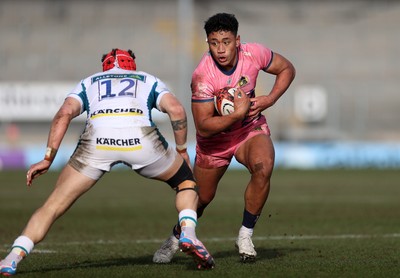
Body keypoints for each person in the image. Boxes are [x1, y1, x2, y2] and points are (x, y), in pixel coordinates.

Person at [0, 48, 215, 276]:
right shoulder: (147, 79)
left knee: (53, 205)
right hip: (141, 140)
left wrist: (47, 158)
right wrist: (181, 151)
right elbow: (176, 110)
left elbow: (63, 114)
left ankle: (12, 258)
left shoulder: (89, 82)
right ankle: (189, 235)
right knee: (186, 183)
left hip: (97, 141)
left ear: (105, 67)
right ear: (131, 64)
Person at [153, 13, 295, 263]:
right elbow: (204, 127)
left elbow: (287, 69)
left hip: (249, 130)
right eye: (214, 42)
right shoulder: (202, 75)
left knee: (264, 166)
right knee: (202, 199)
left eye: (226, 41)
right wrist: (236, 114)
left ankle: (245, 234)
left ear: (237, 40)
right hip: (214, 142)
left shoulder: (254, 54)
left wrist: (269, 99)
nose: (220, 49)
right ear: (207, 43)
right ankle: (176, 236)